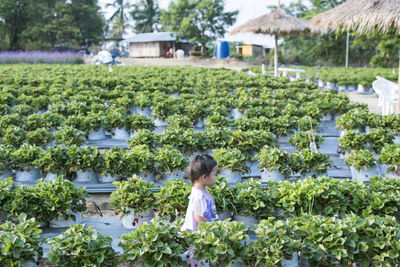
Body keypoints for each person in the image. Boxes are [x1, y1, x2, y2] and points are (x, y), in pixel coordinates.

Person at [182, 154, 218, 266]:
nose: (216, 177)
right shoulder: (199, 196)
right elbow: (199, 217)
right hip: (198, 237)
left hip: (204, 234)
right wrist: (213, 230)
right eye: (215, 174)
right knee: (198, 260)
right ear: (204, 177)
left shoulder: (203, 190)